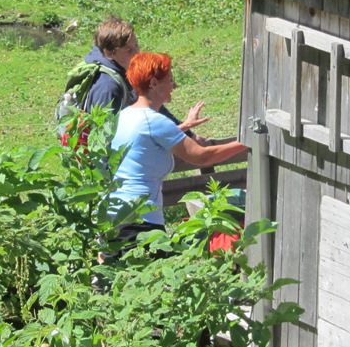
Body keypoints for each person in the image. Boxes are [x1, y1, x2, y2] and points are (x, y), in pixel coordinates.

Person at [108, 52, 248, 235]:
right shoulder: (154, 121)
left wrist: (183, 127)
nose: (174, 85)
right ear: (153, 83)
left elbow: (144, 139)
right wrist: (246, 142)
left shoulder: (125, 115)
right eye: (170, 80)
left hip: (114, 214)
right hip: (140, 222)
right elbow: (202, 156)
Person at [81, 16, 209, 136]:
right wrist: (182, 128)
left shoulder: (123, 68)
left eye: (136, 46)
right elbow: (108, 139)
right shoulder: (107, 86)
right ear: (109, 52)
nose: (137, 53)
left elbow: (151, 106)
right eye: (129, 50)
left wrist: (186, 132)